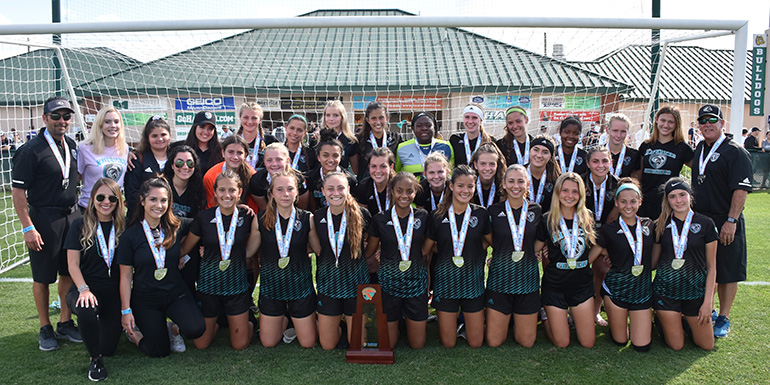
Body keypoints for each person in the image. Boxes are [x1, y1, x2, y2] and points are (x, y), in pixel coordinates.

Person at [12, 96, 82, 351]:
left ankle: (65, 322)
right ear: (44, 118)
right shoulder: (31, 150)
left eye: (66, 116)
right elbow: (18, 192)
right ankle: (45, 327)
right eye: (56, 116)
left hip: (71, 217)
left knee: (67, 271)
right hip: (44, 218)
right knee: (42, 276)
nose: (61, 121)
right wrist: (28, 226)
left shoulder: (71, 144)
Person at [118, 177, 205, 357]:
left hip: (175, 293)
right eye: (153, 199)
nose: (159, 205)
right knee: (159, 352)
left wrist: (187, 251)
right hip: (146, 298)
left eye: (164, 200)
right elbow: (125, 277)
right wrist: (126, 311)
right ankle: (133, 333)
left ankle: (171, 327)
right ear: (142, 201)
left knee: (196, 329)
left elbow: (203, 222)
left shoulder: (176, 226)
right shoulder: (130, 236)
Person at [691, 104, 752, 338]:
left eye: (712, 120)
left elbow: (741, 189)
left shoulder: (735, 151)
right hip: (702, 220)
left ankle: (724, 317)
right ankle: (710, 309)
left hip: (726, 220)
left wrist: (731, 220)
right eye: (703, 121)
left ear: (722, 124)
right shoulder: (700, 148)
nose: (707, 124)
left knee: (727, 270)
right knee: (706, 268)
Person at [179, 170, 259, 350]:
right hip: (209, 286)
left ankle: (249, 323)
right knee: (201, 344)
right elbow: (186, 247)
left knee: (240, 345)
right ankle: (218, 323)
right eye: (222, 190)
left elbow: (255, 243)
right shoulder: (204, 217)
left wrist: (242, 255)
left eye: (232, 190)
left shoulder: (247, 216)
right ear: (215, 192)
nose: (227, 195)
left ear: (239, 192)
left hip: (237, 286)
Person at [423, 165, 492, 348]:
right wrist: (449, 249)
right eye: (461, 185)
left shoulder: (480, 213)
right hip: (446, 283)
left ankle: (464, 324)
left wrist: (475, 248)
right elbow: (427, 249)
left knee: (476, 343)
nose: (465, 190)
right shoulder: (437, 215)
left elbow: (492, 241)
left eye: (470, 186)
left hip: (473, 283)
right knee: (448, 343)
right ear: (451, 186)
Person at [64, 178, 125, 380]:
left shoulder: (123, 227)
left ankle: (98, 333)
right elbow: (72, 264)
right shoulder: (79, 225)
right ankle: (95, 360)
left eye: (112, 198)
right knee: (86, 308)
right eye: (100, 197)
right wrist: (83, 289)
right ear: (92, 199)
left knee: (108, 347)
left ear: (118, 201)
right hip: (85, 289)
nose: (106, 202)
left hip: (113, 294)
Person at [255, 170, 321, 348]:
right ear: (272, 193)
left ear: (297, 192)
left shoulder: (308, 218)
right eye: (280, 189)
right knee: (268, 343)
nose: (285, 194)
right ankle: (285, 320)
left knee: (308, 343)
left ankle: (303, 321)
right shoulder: (260, 220)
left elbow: (318, 249)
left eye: (290, 189)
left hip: (300, 287)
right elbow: (247, 251)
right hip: (271, 287)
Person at [365, 172, 430, 349]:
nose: (404, 195)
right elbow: (369, 251)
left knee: (418, 345)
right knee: (389, 345)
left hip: (416, 283)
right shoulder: (380, 218)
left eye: (409, 191)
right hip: (388, 284)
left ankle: (406, 323)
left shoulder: (423, 216)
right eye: (399, 190)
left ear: (415, 192)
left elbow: (427, 249)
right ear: (392, 191)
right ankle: (397, 325)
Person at [588, 178, 654, 351]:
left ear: (640, 201)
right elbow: (590, 257)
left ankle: (655, 321)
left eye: (633, 201)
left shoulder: (649, 225)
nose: (628, 206)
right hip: (616, 291)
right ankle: (613, 314)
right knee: (621, 341)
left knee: (642, 346)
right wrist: (608, 253)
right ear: (616, 203)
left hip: (642, 293)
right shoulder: (609, 229)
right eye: (623, 201)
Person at [652, 178, 717, 351]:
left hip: (695, 293)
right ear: (667, 200)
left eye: (682, 195)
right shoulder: (660, 225)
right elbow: (652, 263)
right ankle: (661, 318)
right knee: (676, 345)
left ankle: (684, 321)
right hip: (666, 292)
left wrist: (708, 303)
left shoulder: (706, 224)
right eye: (672, 197)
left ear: (690, 195)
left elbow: (712, 266)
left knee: (706, 345)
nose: (678, 200)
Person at [486, 165, 546, 348]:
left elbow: (541, 239)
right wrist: (502, 253)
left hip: (527, 280)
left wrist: (530, 252)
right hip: (500, 280)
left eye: (520, 181)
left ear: (527, 184)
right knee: (494, 342)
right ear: (504, 184)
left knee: (526, 342)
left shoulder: (536, 210)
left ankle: (516, 317)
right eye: (511, 181)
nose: (516, 186)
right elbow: (489, 238)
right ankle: (504, 317)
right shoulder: (493, 211)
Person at [541, 173, 598, 348]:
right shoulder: (547, 219)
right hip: (555, 286)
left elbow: (598, 243)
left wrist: (586, 261)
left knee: (588, 343)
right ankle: (545, 316)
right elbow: (536, 246)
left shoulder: (587, 217)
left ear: (581, 194)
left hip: (581, 286)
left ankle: (570, 316)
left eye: (575, 191)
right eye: (565, 190)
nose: (570, 196)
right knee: (562, 343)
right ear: (557, 192)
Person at [314, 172, 371, 350]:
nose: (335, 192)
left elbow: (370, 243)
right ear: (323, 191)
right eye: (330, 188)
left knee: (359, 344)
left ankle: (351, 326)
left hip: (356, 284)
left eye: (340, 188)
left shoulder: (362, 214)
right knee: (328, 345)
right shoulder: (316, 217)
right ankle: (333, 326)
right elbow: (316, 248)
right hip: (328, 284)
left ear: (348, 189)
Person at [633, 106, 693, 220]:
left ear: (676, 124)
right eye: (663, 120)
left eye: (671, 122)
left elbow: (700, 169)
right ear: (656, 119)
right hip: (645, 202)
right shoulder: (646, 146)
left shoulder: (682, 148)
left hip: (668, 203)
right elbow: (638, 175)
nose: (666, 125)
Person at [162, 145, 207, 295]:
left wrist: (183, 252)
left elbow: (197, 225)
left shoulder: (198, 190)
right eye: (179, 163)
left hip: (188, 244)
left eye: (190, 163)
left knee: (187, 282)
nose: (185, 167)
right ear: (172, 165)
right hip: (162, 244)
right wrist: (175, 251)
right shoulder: (162, 186)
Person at [583, 146, 619, 326]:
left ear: (611, 163)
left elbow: (617, 220)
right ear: (588, 163)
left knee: (602, 269)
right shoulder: (578, 183)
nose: (600, 165)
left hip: (607, 239)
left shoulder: (618, 185)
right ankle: (572, 309)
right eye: (595, 161)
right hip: (580, 236)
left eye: (605, 161)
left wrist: (605, 247)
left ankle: (595, 311)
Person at [77, 106, 129, 211]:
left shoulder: (124, 148)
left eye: (116, 121)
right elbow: (77, 177)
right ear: (100, 124)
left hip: (113, 208)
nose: (113, 125)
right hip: (89, 208)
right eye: (107, 122)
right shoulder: (85, 148)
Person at [125, 116, 171, 221]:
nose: (159, 139)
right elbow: (131, 193)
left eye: (163, 135)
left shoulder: (176, 157)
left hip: (168, 215)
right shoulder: (137, 159)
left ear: (170, 136)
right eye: (154, 136)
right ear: (147, 138)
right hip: (141, 217)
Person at [202, 135, 258, 213]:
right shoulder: (210, 176)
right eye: (231, 152)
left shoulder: (252, 176)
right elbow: (211, 209)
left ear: (245, 155)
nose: (235, 157)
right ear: (223, 153)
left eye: (239, 153)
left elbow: (253, 209)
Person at [306, 129, 357, 212]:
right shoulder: (310, 177)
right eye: (325, 155)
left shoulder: (350, 179)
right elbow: (313, 209)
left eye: (335, 155)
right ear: (318, 157)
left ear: (341, 157)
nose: (330, 160)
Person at [249, 142, 309, 211]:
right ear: (264, 162)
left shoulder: (299, 179)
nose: (274, 164)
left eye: (279, 159)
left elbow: (302, 209)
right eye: (269, 160)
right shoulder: (257, 181)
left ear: (287, 160)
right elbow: (264, 210)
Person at [395, 112, 453, 178]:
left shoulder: (446, 146)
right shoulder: (402, 148)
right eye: (419, 125)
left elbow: (451, 173)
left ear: (434, 127)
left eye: (428, 125)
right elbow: (396, 173)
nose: (424, 128)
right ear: (413, 128)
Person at [356, 101, 402, 181]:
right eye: (373, 118)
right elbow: (356, 168)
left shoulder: (396, 138)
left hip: (390, 185)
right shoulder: (359, 139)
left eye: (381, 117)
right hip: (365, 187)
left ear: (387, 118)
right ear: (368, 120)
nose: (378, 122)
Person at [354, 147, 395, 216]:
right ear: (369, 166)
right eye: (373, 166)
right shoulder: (363, 187)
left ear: (391, 167)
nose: (378, 171)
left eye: (383, 166)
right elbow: (363, 217)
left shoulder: (398, 186)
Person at [237, 102, 277, 171]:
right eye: (246, 117)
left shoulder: (270, 141)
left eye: (254, 118)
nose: (250, 121)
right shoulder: (233, 141)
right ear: (240, 118)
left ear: (260, 120)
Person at [321, 100, 358, 172]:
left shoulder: (351, 141)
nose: (331, 119)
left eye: (335, 115)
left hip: (342, 180)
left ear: (342, 117)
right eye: (328, 115)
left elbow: (356, 170)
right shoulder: (317, 139)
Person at [525, 136, 560, 212]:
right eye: (536, 150)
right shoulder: (518, 174)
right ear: (529, 151)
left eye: (545, 152)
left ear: (551, 156)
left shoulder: (557, 179)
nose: (539, 155)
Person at [469, 142, 506, 208]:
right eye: (483, 164)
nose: (487, 168)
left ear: (497, 165)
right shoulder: (468, 186)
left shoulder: (504, 186)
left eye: (492, 164)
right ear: (475, 165)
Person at [606, 114, 640, 178]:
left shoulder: (634, 155)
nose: (619, 135)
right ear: (607, 130)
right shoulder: (597, 153)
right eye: (615, 131)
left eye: (623, 131)